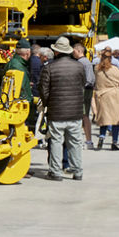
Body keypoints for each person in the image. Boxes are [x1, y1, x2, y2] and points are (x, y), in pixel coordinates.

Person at [38, 36, 86, 181]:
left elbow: (44, 90)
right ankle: (77, 171)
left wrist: (48, 104)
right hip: (75, 111)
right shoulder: (79, 66)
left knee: (56, 141)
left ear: (56, 52)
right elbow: (83, 85)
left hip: (56, 111)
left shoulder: (49, 68)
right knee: (75, 142)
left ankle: (56, 172)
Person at [93, 48, 119, 151]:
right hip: (113, 95)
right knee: (115, 119)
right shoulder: (114, 69)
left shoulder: (97, 69)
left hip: (102, 95)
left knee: (104, 119)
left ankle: (102, 136)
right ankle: (114, 142)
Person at [3, 38, 34, 129]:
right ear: (28, 52)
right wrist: (27, 103)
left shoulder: (14, 63)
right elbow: (20, 88)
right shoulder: (18, 66)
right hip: (18, 108)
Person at [72, 43, 96, 149]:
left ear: (78, 51)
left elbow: (87, 79)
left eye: (73, 51)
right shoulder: (87, 62)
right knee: (85, 115)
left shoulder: (80, 63)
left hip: (82, 90)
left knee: (81, 115)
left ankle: (83, 140)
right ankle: (88, 140)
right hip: (88, 90)